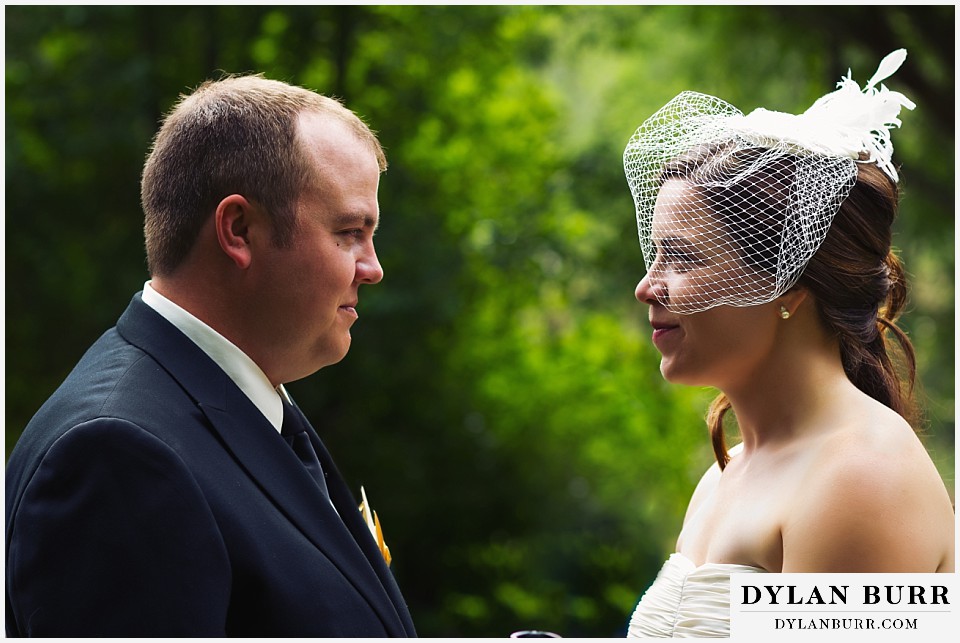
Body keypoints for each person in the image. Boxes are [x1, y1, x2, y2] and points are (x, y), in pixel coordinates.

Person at [5, 74, 417, 637]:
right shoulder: (118, 456)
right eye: (349, 232)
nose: (373, 268)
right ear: (238, 230)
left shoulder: (237, 397)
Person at [621, 50, 954, 638]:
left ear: (789, 285)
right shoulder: (727, 474)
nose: (647, 286)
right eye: (654, 255)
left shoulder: (862, 477)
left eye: (681, 257)